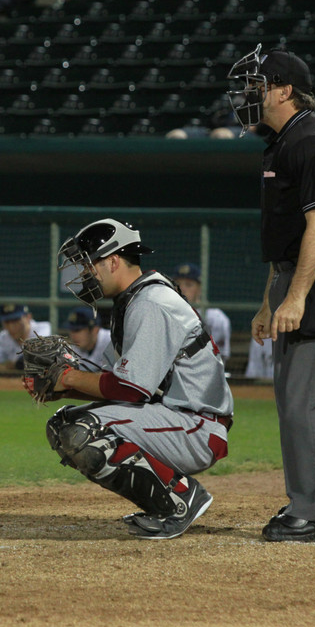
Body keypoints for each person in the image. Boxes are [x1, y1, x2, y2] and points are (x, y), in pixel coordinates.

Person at [229, 44, 315, 542]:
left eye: (256, 85)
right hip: (294, 277)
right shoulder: (284, 141)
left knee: (309, 408)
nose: (247, 94)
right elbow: (285, 239)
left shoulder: (311, 139)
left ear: (284, 91)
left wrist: (298, 296)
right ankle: (306, 500)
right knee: (292, 405)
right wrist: (271, 299)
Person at [42, 218, 233, 540]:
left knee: (83, 432)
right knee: (62, 425)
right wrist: (60, 388)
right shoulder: (133, 300)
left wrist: (70, 379)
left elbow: (129, 389)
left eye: (88, 264)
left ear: (113, 261)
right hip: (171, 417)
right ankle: (165, 500)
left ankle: (179, 498)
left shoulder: (151, 303)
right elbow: (114, 381)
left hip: (196, 425)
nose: (85, 273)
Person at [171, 263, 231, 364]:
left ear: (200, 289)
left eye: (188, 285)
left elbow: (220, 357)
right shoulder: (166, 314)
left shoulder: (216, 318)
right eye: (177, 284)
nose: (181, 289)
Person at [0, 303, 50, 370]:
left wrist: (14, 366)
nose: (11, 327)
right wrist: (4, 369)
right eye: (7, 322)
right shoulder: (4, 337)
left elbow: (35, 357)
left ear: (28, 317)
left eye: (15, 321)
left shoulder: (43, 329)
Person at [64, 305, 113, 369]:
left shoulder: (111, 342)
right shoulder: (73, 349)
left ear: (95, 330)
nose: (73, 335)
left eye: (77, 330)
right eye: (71, 330)